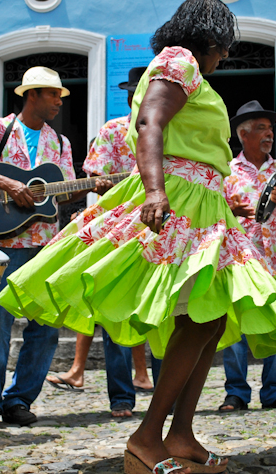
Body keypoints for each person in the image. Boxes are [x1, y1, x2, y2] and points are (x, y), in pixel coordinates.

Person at [0, 0, 276, 474]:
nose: (226, 56)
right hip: (180, 201)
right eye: (224, 46)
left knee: (210, 319)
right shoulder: (179, 60)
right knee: (198, 318)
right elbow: (151, 121)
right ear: (208, 38)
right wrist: (154, 190)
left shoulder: (187, 68)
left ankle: (182, 433)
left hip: (206, 205)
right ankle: (147, 438)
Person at [0, 66, 81, 429]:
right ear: (31, 95)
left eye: (60, 96)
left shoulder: (59, 143)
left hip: (44, 245)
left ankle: (20, 399)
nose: (59, 101)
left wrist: (92, 186)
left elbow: (65, 190)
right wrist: (9, 185)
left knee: (45, 326)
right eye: (53, 94)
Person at [47, 66, 162, 418]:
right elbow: (95, 177)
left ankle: (163, 398)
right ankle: (121, 398)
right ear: (130, 96)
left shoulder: (169, 131)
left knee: (160, 311)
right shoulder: (113, 131)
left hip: (160, 230)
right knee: (114, 317)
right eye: (137, 92)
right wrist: (124, 187)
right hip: (120, 232)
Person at [219, 100, 276, 412]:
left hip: (275, 258)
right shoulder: (226, 172)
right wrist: (232, 210)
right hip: (239, 260)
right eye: (261, 129)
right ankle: (236, 393)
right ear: (243, 135)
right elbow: (213, 215)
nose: (268, 135)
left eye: (270, 129)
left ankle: (274, 392)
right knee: (237, 329)